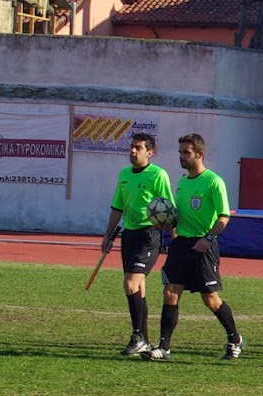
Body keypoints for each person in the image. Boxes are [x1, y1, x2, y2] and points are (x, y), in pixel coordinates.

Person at [142, 133, 242, 361]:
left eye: (186, 152)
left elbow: (224, 216)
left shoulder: (213, 181)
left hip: (203, 246)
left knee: (211, 299)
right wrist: (166, 223)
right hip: (181, 245)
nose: (181, 156)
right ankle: (164, 347)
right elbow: (177, 217)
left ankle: (235, 338)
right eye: (180, 152)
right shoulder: (182, 183)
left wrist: (208, 238)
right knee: (170, 292)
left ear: (200, 154)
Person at [101, 131, 173, 357]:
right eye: (132, 146)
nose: (133, 151)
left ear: (149, 153)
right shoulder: (124, 174)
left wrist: (174, 239)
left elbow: (168, 208)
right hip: (129, 235)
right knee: (138, 288)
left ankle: (138, 336)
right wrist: (108, 235)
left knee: (130, 284)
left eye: (138, 147)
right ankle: (144, 340)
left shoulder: (158, 175)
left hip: (149, 235)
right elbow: (117, 207)